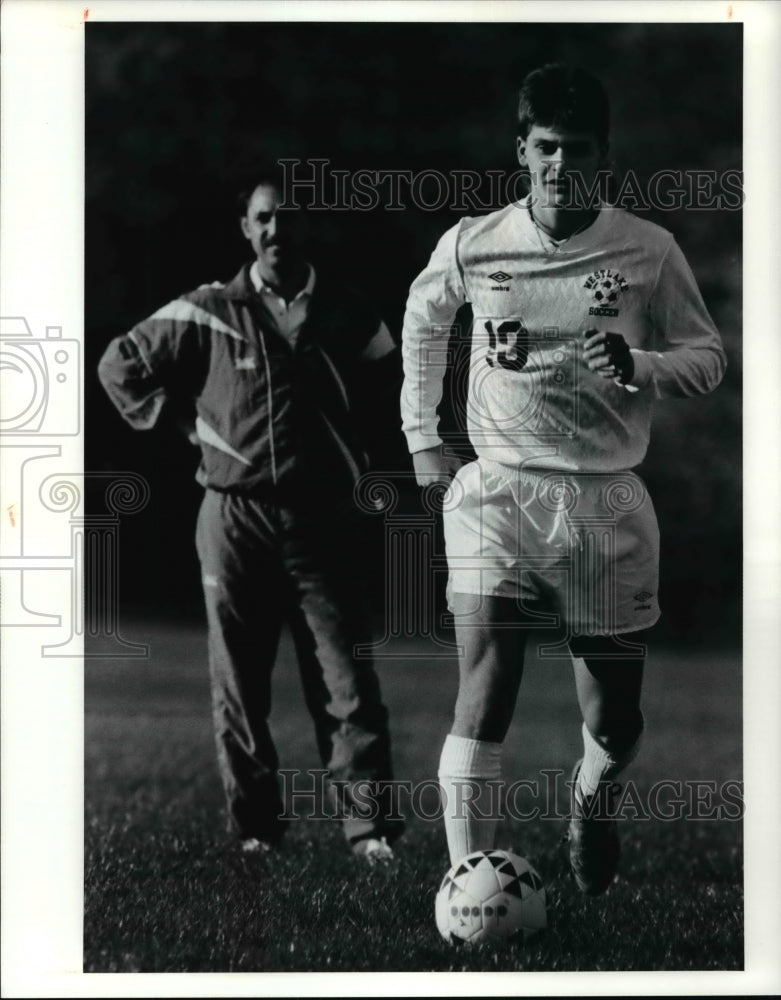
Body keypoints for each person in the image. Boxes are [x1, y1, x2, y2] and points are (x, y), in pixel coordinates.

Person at [400, 64, 726, 893]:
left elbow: (707, 360)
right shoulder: (476, 240)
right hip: (497, 490)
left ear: (601, 156)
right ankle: (468, 889)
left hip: (604, 499)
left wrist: (641, 363)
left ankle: (592, 796)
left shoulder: (647, 250)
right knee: (484, 685)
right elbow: (424, 319)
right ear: (521, 149)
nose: (558, 165)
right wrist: (422, 439)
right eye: (544, 148)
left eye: (575, 150)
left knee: (611, 717)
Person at [98, 169, 404, 862]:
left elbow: (397, 394)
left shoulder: (348, 311)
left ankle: (369, 831)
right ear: (246, 227)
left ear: (307, 225)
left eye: (288, 217)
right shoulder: (209, 308)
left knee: (348, 681)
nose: (276, 230)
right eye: (263, 218)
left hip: (323, 522)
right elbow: (119, 365)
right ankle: (258, 828)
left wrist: (371, 467)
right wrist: (181, 424)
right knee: (239, 682)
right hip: (233, 519)